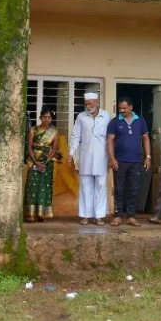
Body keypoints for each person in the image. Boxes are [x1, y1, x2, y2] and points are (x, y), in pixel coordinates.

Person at [106, 97, 151, 226]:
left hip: (136, 161)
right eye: (120, 108)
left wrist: (148, 157)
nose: (122, 110)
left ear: (131, 107)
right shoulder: (114, 122)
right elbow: (110, 140)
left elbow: (146, 138)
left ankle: (131, 216)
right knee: (119, 189)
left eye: (124, 108)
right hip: (120, 161)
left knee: (134, 189)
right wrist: (112, 159)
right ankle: (118, 216)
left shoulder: (140, 121)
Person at [69, 92, 112, 225]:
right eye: (86, 104)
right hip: (86, 157)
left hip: (102, 157)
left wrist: (111, 157)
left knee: (100, 185)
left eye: (91, 104)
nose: (88, 106)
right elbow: (76, 136)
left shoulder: (106, 116)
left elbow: (111, 137)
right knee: (86, 186)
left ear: (97, 103)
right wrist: (71, 153)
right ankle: (85, 215)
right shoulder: (81, 117)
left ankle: (98, 216)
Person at [24, 108, 58, 222]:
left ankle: (42, 215)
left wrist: (45, 162)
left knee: (45, 187)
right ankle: (31, 214)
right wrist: (35, 162)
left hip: (47, 163)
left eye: (49, 117)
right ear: (40, 118)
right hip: (34, 161)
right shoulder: (33, 130)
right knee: (32, 187)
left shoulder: (54, 132)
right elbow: (29, 147)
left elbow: (54, 149)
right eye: (44, 117)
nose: (47, 119)